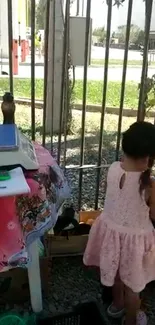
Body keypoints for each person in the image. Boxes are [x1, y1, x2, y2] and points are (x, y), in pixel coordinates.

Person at [83, 121, 155, 325]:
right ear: (148, 157)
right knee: (134, 284)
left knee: (115, 274)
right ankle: (131, 320)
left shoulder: (113, 168)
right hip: (135, 243)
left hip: (111, 235)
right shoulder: (149, 184)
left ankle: (116, 306)